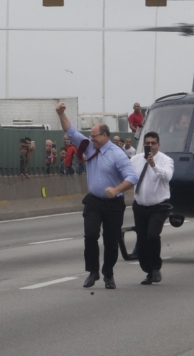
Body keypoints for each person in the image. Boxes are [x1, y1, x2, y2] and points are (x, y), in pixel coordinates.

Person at [56, 102, 139, 290]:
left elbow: (133, 177)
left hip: (113, 203)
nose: (91, 139)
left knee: (111, 241)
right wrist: (61, 114)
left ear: (105, 136)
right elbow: (71, 132)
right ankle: (93, 271)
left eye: (94, 136)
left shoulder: (117, 154)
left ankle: (108, 273)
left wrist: (117, 190)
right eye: (91, 136)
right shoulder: (88, 146)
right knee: (91, 235)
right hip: (94, 201)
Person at [130, 131, 174, 285]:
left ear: (158, 145)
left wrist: (153, 165)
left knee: (152, 235)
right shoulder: (135, 160)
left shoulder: (166, 160)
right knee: (142, 241)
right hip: (140, 205)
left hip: (159, 205)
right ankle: (148, 270)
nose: (150, 146)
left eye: (153, 143)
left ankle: (156, 268)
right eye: (147, 143)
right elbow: (126, 175)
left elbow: (167, 176)